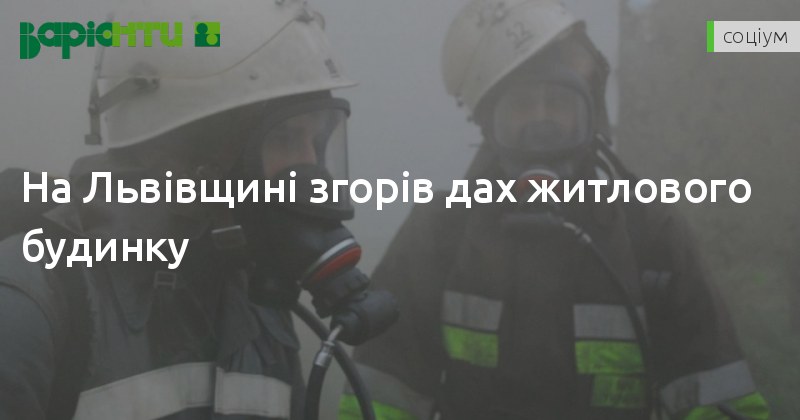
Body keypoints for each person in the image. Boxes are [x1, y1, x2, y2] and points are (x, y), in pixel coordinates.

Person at [339, 0, 771, 419]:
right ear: (490, 125)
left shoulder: (649, 232)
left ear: (590, 117)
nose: (541, 122)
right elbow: (382, 394)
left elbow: (717, 397)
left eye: (560, 103)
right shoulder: (442, 231)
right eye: (521, 105)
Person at [0, 0, 395, 419]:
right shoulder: (31, 302)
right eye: (284, 138)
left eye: (317, 141)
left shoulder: (259, 306)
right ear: (194, 153)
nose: (311, 170)